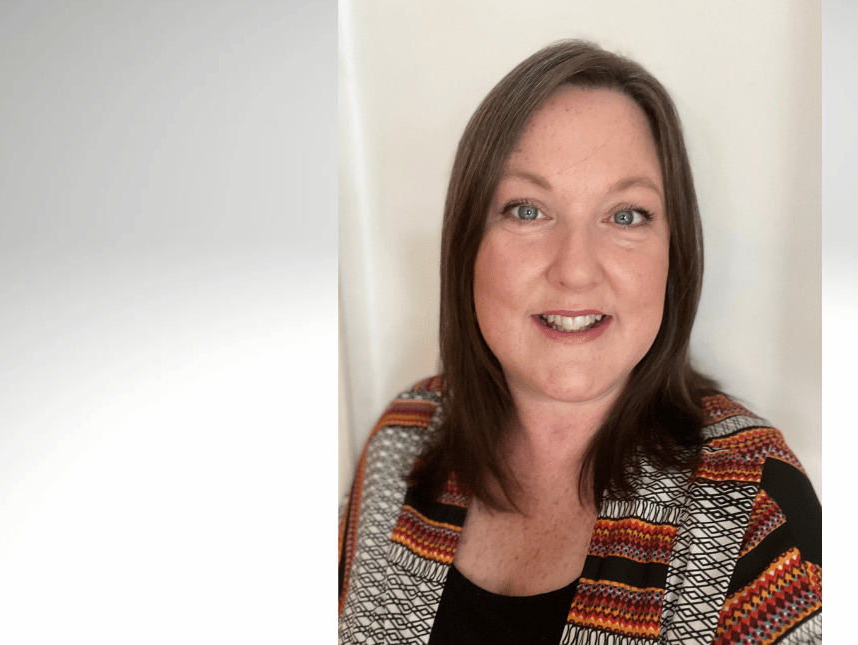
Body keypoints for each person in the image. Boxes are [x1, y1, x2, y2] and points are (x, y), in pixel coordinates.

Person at [339, 40, 821, 644]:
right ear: (468, 243)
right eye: (527, 210)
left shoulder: (755, 504)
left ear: (675, 255)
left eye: (626, 215)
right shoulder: (401, 440)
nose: (574, 270)